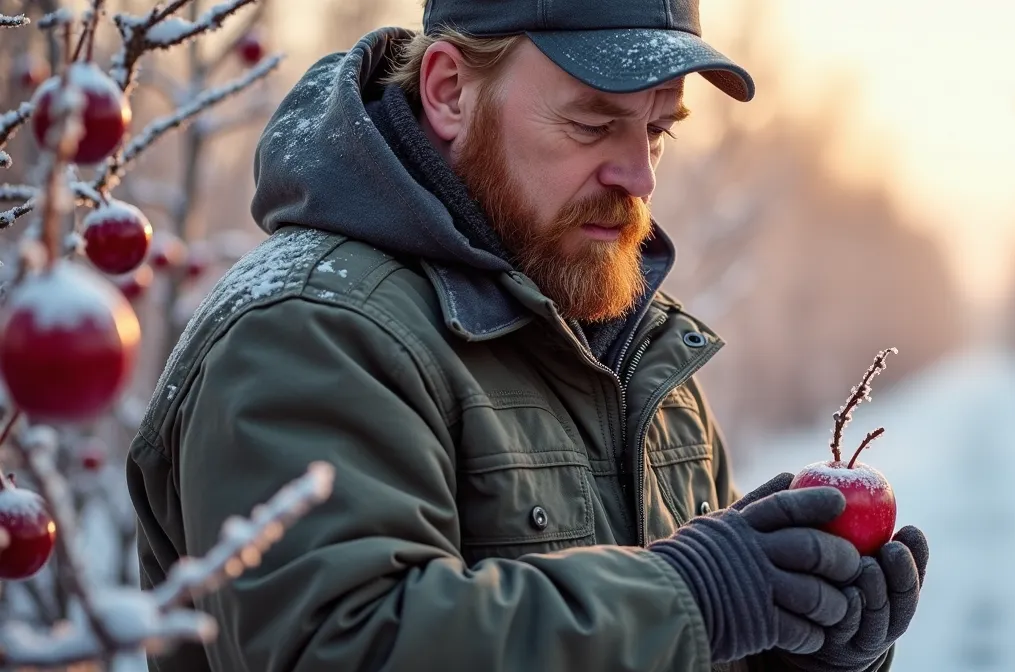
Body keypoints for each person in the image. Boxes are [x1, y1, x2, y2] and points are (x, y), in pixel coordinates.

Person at [125, 0, 929, 670]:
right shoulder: (313, 330)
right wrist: (696, 598)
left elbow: (686, 637)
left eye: (656, 130)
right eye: (592, 124)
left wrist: (789, 644)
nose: (640, 176)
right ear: (448, 93)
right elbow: (341, 648)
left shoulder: (632, 346)